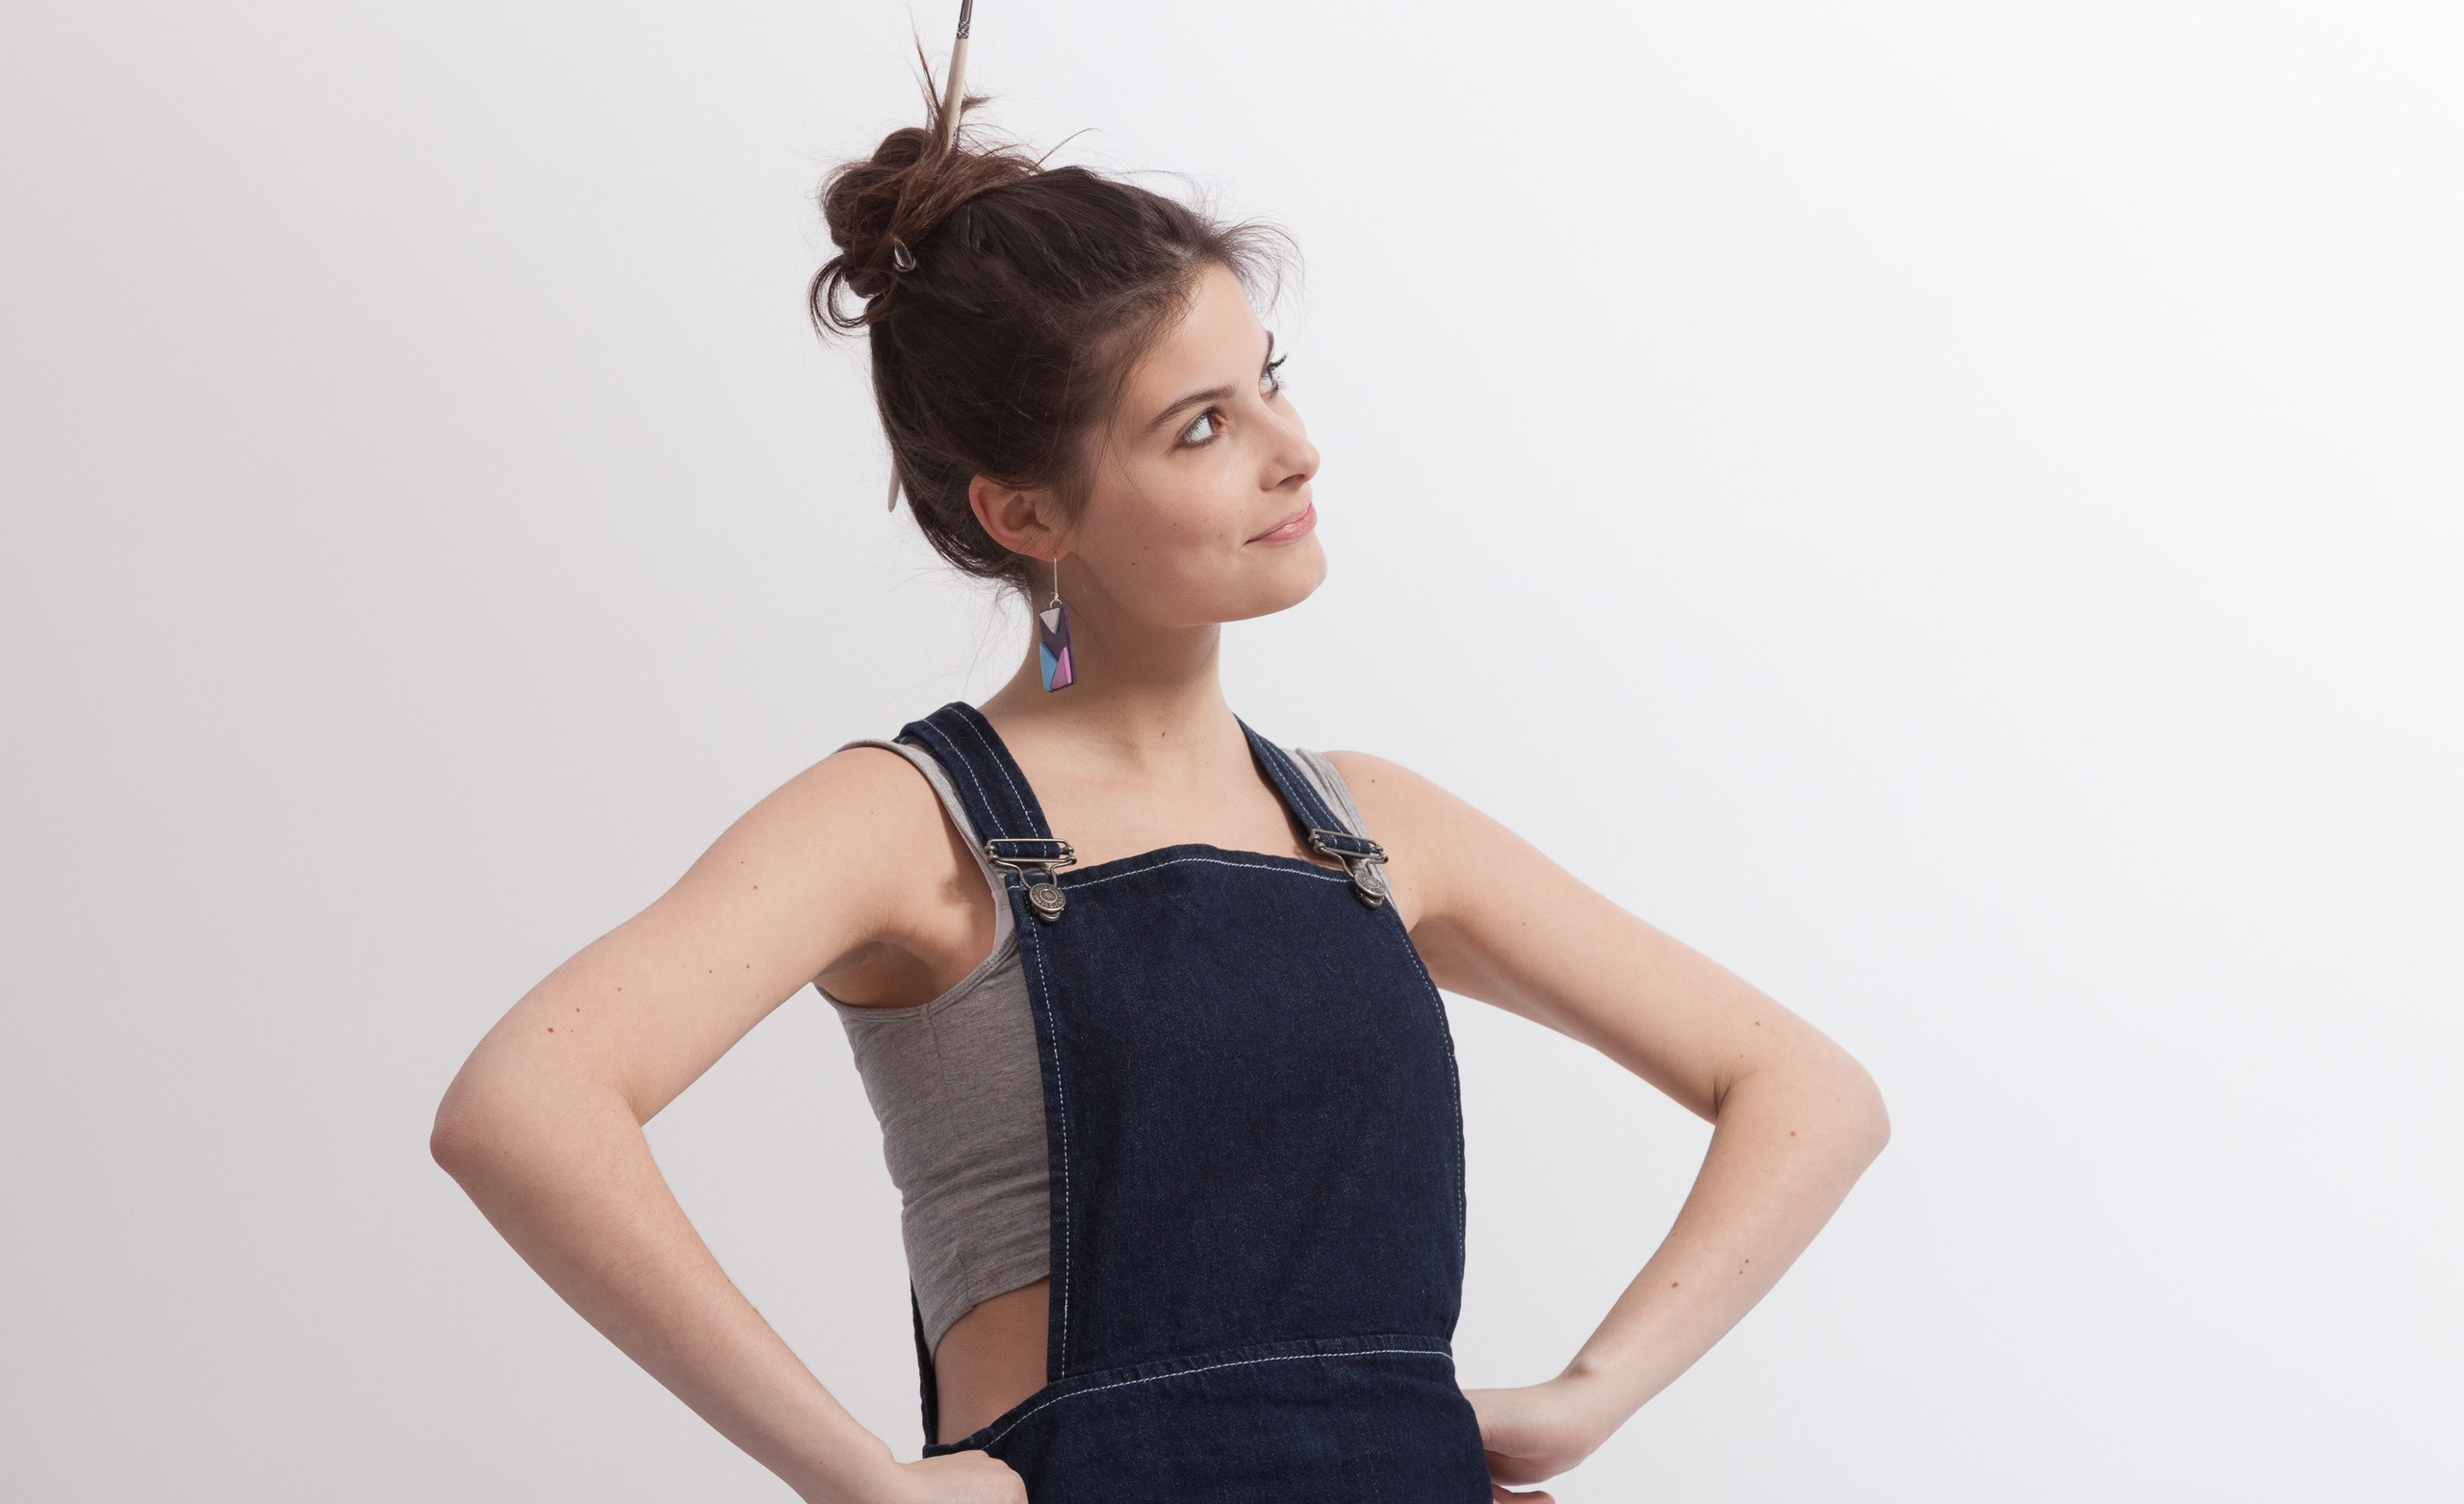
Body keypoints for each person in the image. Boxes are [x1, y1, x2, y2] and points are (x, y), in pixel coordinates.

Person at [430, 83, 1890, 1503]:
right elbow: (526, 1106)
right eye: (1199, 427)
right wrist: (862, 1482)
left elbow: (1806, 1089)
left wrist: (1587, 1400)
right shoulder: (907, 822)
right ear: (1025, 512)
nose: (1292, 449)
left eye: (1270, 381)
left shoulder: (1373, 826)